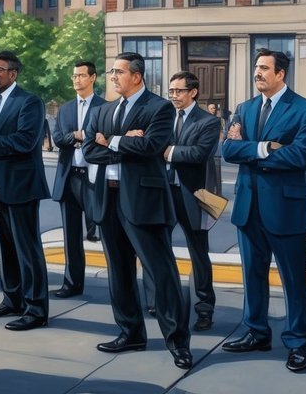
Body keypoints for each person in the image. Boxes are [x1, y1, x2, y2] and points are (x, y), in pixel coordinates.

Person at [83, 52, 191, 370]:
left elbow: (151, 147)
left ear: (137, 75)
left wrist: (111, 142)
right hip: (109, 200)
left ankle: (178, 343)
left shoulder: (158, 107)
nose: (112, 77)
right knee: (120, 273)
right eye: (111, 72)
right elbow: (89, 150)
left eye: (118, 72)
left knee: (162, 274)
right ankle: (130, 333)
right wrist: (122, 143)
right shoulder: (104, 109)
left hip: (144, 201)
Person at [220, 48, 306, 374]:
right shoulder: (243, 109)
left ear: (281, 73)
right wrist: (265, 148)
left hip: (285, 210)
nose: (257, 73)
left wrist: (247, 151)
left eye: (264, 68)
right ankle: (257, 332)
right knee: (252, 277)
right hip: (248, 207)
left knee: (294, 281)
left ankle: (297, 343)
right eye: (256, 67)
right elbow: (228, 150)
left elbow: (299, 158)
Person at [0, 51, 50, 332]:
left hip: (22, 187)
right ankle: (12, 299)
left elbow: (26, 140)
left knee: (27, 250)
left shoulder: (29, 102)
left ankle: (36, 309)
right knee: (5, 248)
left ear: (13, 74)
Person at [163, 71, 222, 332]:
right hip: (163, 194)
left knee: (199, 254)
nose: (174, 96)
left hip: (194, 195)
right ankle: (162, 303)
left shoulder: (208, 121)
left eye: (179, 91)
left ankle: (204, 309)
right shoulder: (164, 118)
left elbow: (199, 154)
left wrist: (168, 151)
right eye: (171, 91)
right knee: (159, 251)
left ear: (193, 92)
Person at [49, 60, 104, 298]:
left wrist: (85, 138)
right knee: (71, 236)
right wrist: (78, 135)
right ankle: (72, 283)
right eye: (74, 76)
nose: (76, 80)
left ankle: (122, 285)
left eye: (81, 75)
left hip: (95, 177)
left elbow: (104, 138)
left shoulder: (105, 107)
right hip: (69, 175)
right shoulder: (66, 108)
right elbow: (59, 138)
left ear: (92, 78)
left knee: (109, 233)